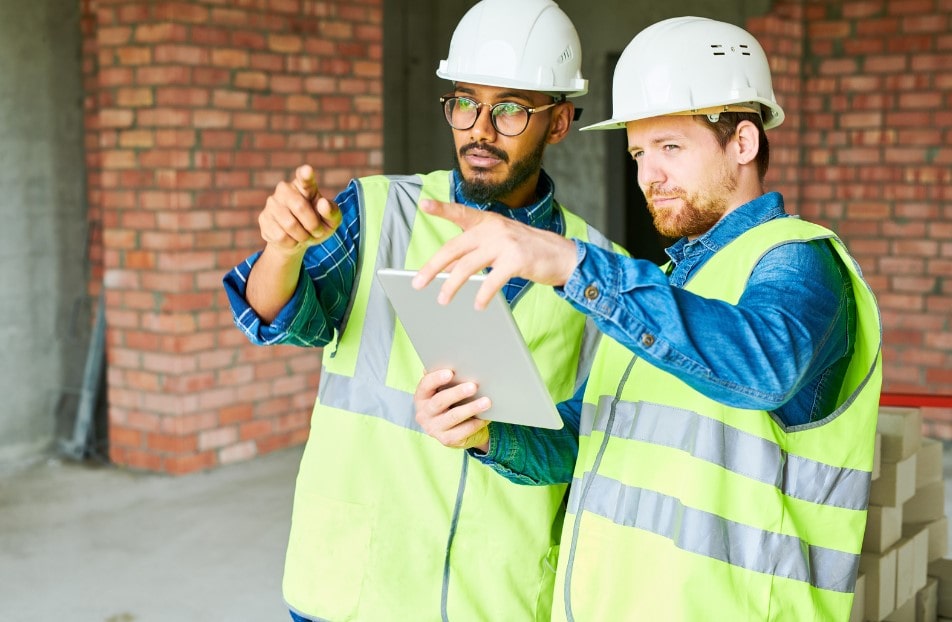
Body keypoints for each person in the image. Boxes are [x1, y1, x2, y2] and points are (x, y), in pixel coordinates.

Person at [412, 16, 883, 621]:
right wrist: (486, 433)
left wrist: (569, 262)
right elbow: (582, 442)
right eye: (638, 152)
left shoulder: (798, 260)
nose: (647, 176)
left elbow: (763, 366)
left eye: (670, 148)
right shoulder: (659, 290)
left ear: (743, 142)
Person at [223, 1, 621, 620]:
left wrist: (494, 438)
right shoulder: (381, 209)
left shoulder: (596, 268)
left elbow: (587, 446)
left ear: (561, 121)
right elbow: (275, 320)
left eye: (511, 108)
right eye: (465, 102)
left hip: (495, 600)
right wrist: (281, 251)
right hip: (351, 589)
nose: (480, 129)